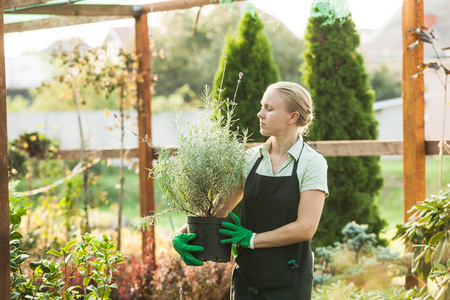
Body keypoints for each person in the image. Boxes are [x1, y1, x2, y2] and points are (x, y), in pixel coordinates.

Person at [172, 81, 328, 300]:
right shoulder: (250, 158)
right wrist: (181, 234)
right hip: (247, 277)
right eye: (261, 106)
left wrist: (251, 239)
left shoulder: (311, 163)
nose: (260, 113)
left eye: (269, 108)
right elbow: (217, 210)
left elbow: (305, 228)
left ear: (293, 117)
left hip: (289, 280)